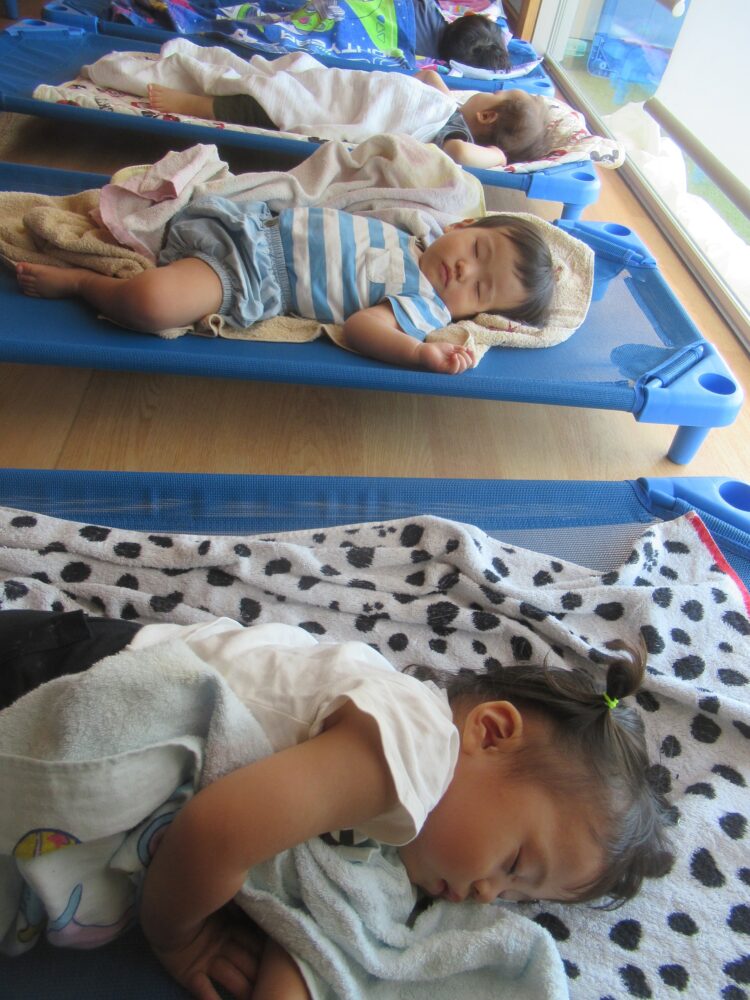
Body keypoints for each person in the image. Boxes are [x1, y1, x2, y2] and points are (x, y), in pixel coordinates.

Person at [0, 609, 674, 999]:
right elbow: (217, 832)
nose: (488, 895)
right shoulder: (412, 746)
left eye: (519, 898)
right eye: (515, 863)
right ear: (490, 733)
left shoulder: (406, 838)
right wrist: (182, 937)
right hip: (68, 673)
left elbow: (317, 929)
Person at [16, 210, 555, 375]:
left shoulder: (426, 306)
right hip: (250, 225)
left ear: (474, 314)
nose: (462, 269)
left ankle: (86, 283)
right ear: (464, 225)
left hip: (256, 276)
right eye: (476, 249)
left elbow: (362, 327)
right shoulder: (419, 233)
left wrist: (418, 353)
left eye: (479, 287)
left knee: (151, 304)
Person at [145, 67, 549, 170]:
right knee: (299, 81)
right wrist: (429, 83)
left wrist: (496, 156)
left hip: (356, 112)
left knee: (272, 109)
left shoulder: (455, 133)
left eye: (495, 93)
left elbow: (459, 153)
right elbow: (428, 80)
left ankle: (196, 104)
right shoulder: (448, 109)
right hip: (363, 92)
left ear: (487, 114)